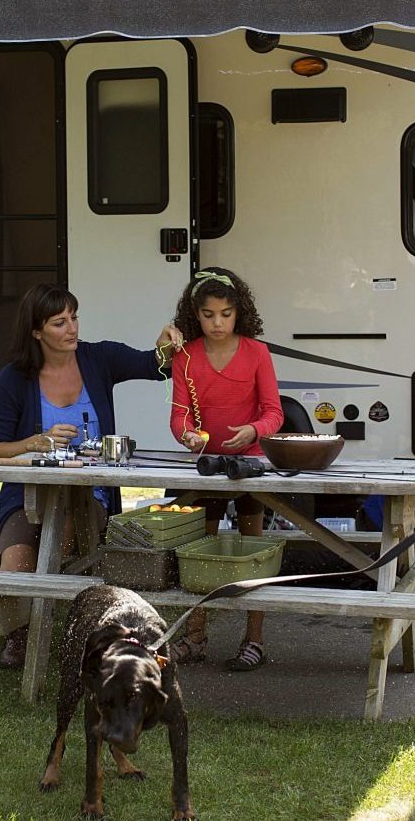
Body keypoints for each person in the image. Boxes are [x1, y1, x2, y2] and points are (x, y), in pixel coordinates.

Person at [0, 283, 182, 668]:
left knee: (54, 553)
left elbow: (153, 366)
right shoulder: (14, 378)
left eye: (74, 318)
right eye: (59, 322)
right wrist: (35, 442)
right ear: (36, 331)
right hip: (26, 494)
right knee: (16, 567)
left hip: (88, 497)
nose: (72, 328)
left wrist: (165, 347)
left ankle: (24, 634)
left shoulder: (98, 358)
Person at [166, 268, 285, 672]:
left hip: (249, 464)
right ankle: (195, 637)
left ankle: (254, 639)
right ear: (194, 315)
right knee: (198, 550)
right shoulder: (185, 356)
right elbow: (179, 415)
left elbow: (274, 413)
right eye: (208, 315)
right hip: (206, 466)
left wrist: (254, 430)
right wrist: (187, 435)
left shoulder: (257, 352)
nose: (217, 322)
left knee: (253, 550)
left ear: (240, 313)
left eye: (226, 314)